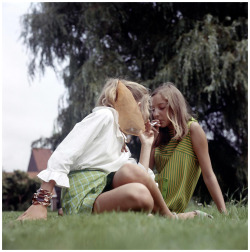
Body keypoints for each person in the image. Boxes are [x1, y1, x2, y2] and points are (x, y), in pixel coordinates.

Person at [17, 78, 198, 221]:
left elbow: (141, 177)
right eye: (146, 107)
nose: (149, 114)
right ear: (132, 104)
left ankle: (149, 215)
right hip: (85, 194)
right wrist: (40, 202)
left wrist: (147, 145)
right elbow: (65, 151)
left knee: (141, 192)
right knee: (135, 182)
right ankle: (169, 216)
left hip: (103, 193)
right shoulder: (105, 116)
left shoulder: (121, 142)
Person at [149, 82, 227, 214]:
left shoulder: (193, 130)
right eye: (153, 109)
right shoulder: (157, 134)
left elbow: (208, 175)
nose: (155, 114)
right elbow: (145, 173)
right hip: (151, 198)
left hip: (169, 206)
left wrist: (224, 213)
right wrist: (149, 141)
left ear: (175, 107)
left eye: (161, 108)